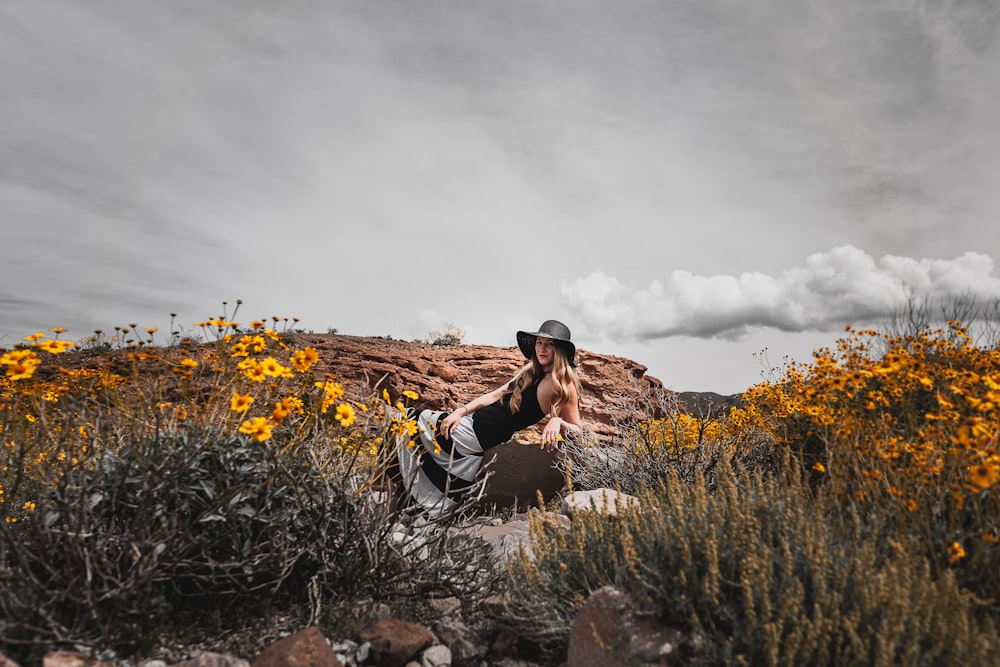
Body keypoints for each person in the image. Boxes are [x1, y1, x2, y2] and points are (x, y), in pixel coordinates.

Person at [389, 319, 584, 516]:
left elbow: (577, 429)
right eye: (539, 342)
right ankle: (402, 503)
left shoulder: (564, 385)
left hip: (477, 435)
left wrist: (557, 421)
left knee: (405, 419)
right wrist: (460, 411)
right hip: (469, 424)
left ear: (559, 349)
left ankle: (399, 502)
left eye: (549, 344)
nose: (542, 348)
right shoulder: (529, 371)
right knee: (405, 427)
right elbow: (494, 395)